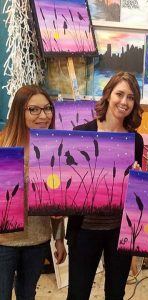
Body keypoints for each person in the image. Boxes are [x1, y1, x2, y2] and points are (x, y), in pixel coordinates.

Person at [66, 71, 144, 300]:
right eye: (120, 94)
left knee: (115, 293)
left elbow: (133, 191)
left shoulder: (135, 140)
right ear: (108, 95)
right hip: (85, 229)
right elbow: (71, 183)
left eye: (131, 97)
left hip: (119, 231)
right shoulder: (82, 134)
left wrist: (138, 179)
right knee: (78, 293)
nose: (124, 102)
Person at [0, 85, 66, 300]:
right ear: (20, 111)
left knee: (27, 295)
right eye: (34, 110)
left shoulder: (53, 150)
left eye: (47, 109)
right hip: (4, 241)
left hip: (37, 239)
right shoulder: (3, 145)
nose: (43, 116)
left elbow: (56, 202)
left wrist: (58, 239)